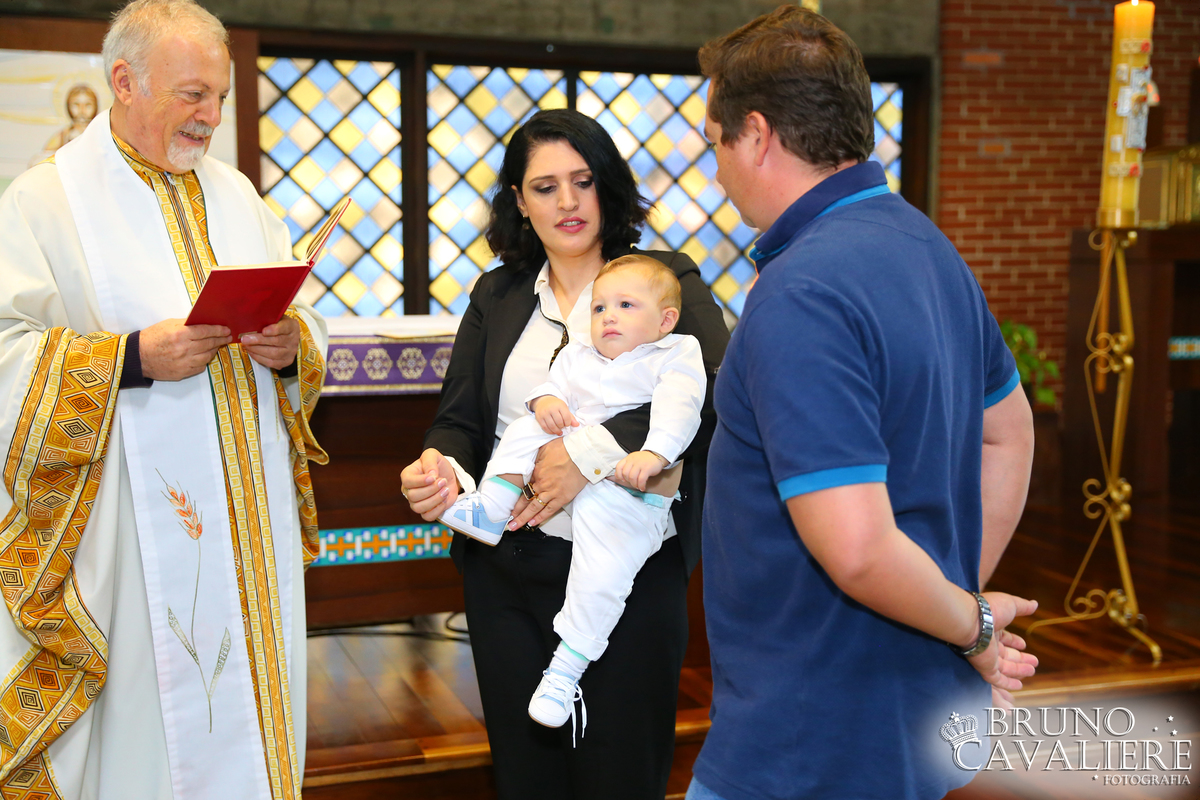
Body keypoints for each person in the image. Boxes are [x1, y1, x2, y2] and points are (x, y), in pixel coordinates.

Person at [688, 7, 1039, 800]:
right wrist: (950, 594)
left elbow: (857, 550)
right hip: (910, 715)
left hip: (808, 739)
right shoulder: (927, 245)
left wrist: (968, 621)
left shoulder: (802, 291)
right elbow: (1009, 436)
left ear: (757, 133)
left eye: (714, 143)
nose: (715, 169)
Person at [0, 1, 326, 798]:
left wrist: (292, 350)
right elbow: (6, 351)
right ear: (123, 81)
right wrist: (133, 360)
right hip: (126, 546)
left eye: (218, 95)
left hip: (248, 539)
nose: (211, 116)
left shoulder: (239, 194)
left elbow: (299, 314)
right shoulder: (42, 204)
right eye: (192, 95)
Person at [401, 108, 729, 799]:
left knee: (619, 775)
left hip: (629, 575)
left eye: (583, 181)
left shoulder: (665, 280)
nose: (569, 202)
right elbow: (460, 418)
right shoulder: (499, 294)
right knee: (528, 778)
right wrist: (439, 465)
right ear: (519, 202)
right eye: (545, 187)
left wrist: (587, 454)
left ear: (608, 187)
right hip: (507, 574)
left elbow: (716, 395)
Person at [439, 255, 705, 734]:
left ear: (665, 320)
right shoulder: (580, 352)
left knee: (601, 575)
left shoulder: (675, 353)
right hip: (553, 488)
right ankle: (491, 506)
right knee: (525, 430)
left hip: (624, 489)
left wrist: (657, 452)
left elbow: (683, 408)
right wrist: (547, 402)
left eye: (626, 305)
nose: (609, 317)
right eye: (600, 307)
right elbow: (548, 384)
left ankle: (566, 669)